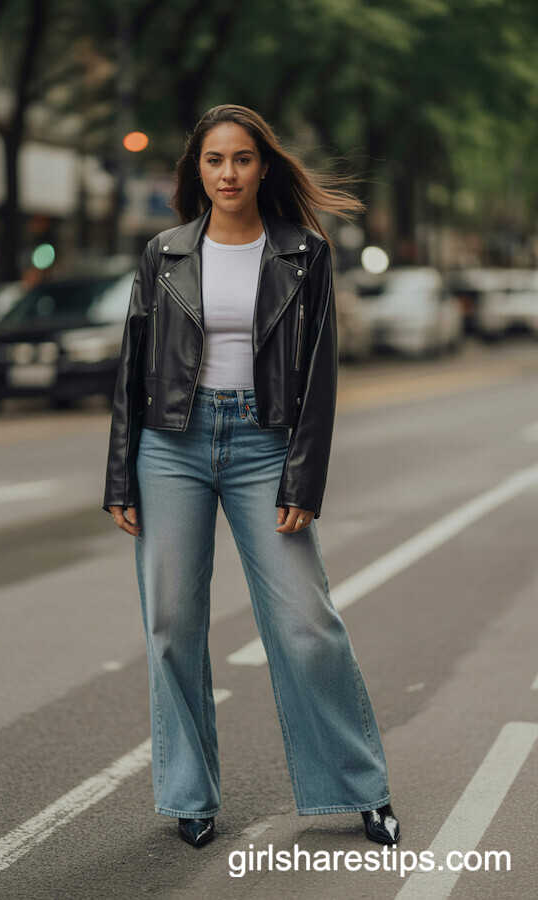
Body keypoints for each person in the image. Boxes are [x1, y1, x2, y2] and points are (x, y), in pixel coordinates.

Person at [103, 104, 400, 849]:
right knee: (172, 624)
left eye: (241, 159)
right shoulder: (164, 253)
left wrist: (303, 478)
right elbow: (132, 372)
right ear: (195, 171)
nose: (227, 173)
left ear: (263, 166)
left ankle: (362, 787)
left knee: (306, 625)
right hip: (171, 444)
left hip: (265, 446)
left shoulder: (305, 252)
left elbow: (320, 380)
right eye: (213, 161)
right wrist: (120, 478)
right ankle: (190, 797)